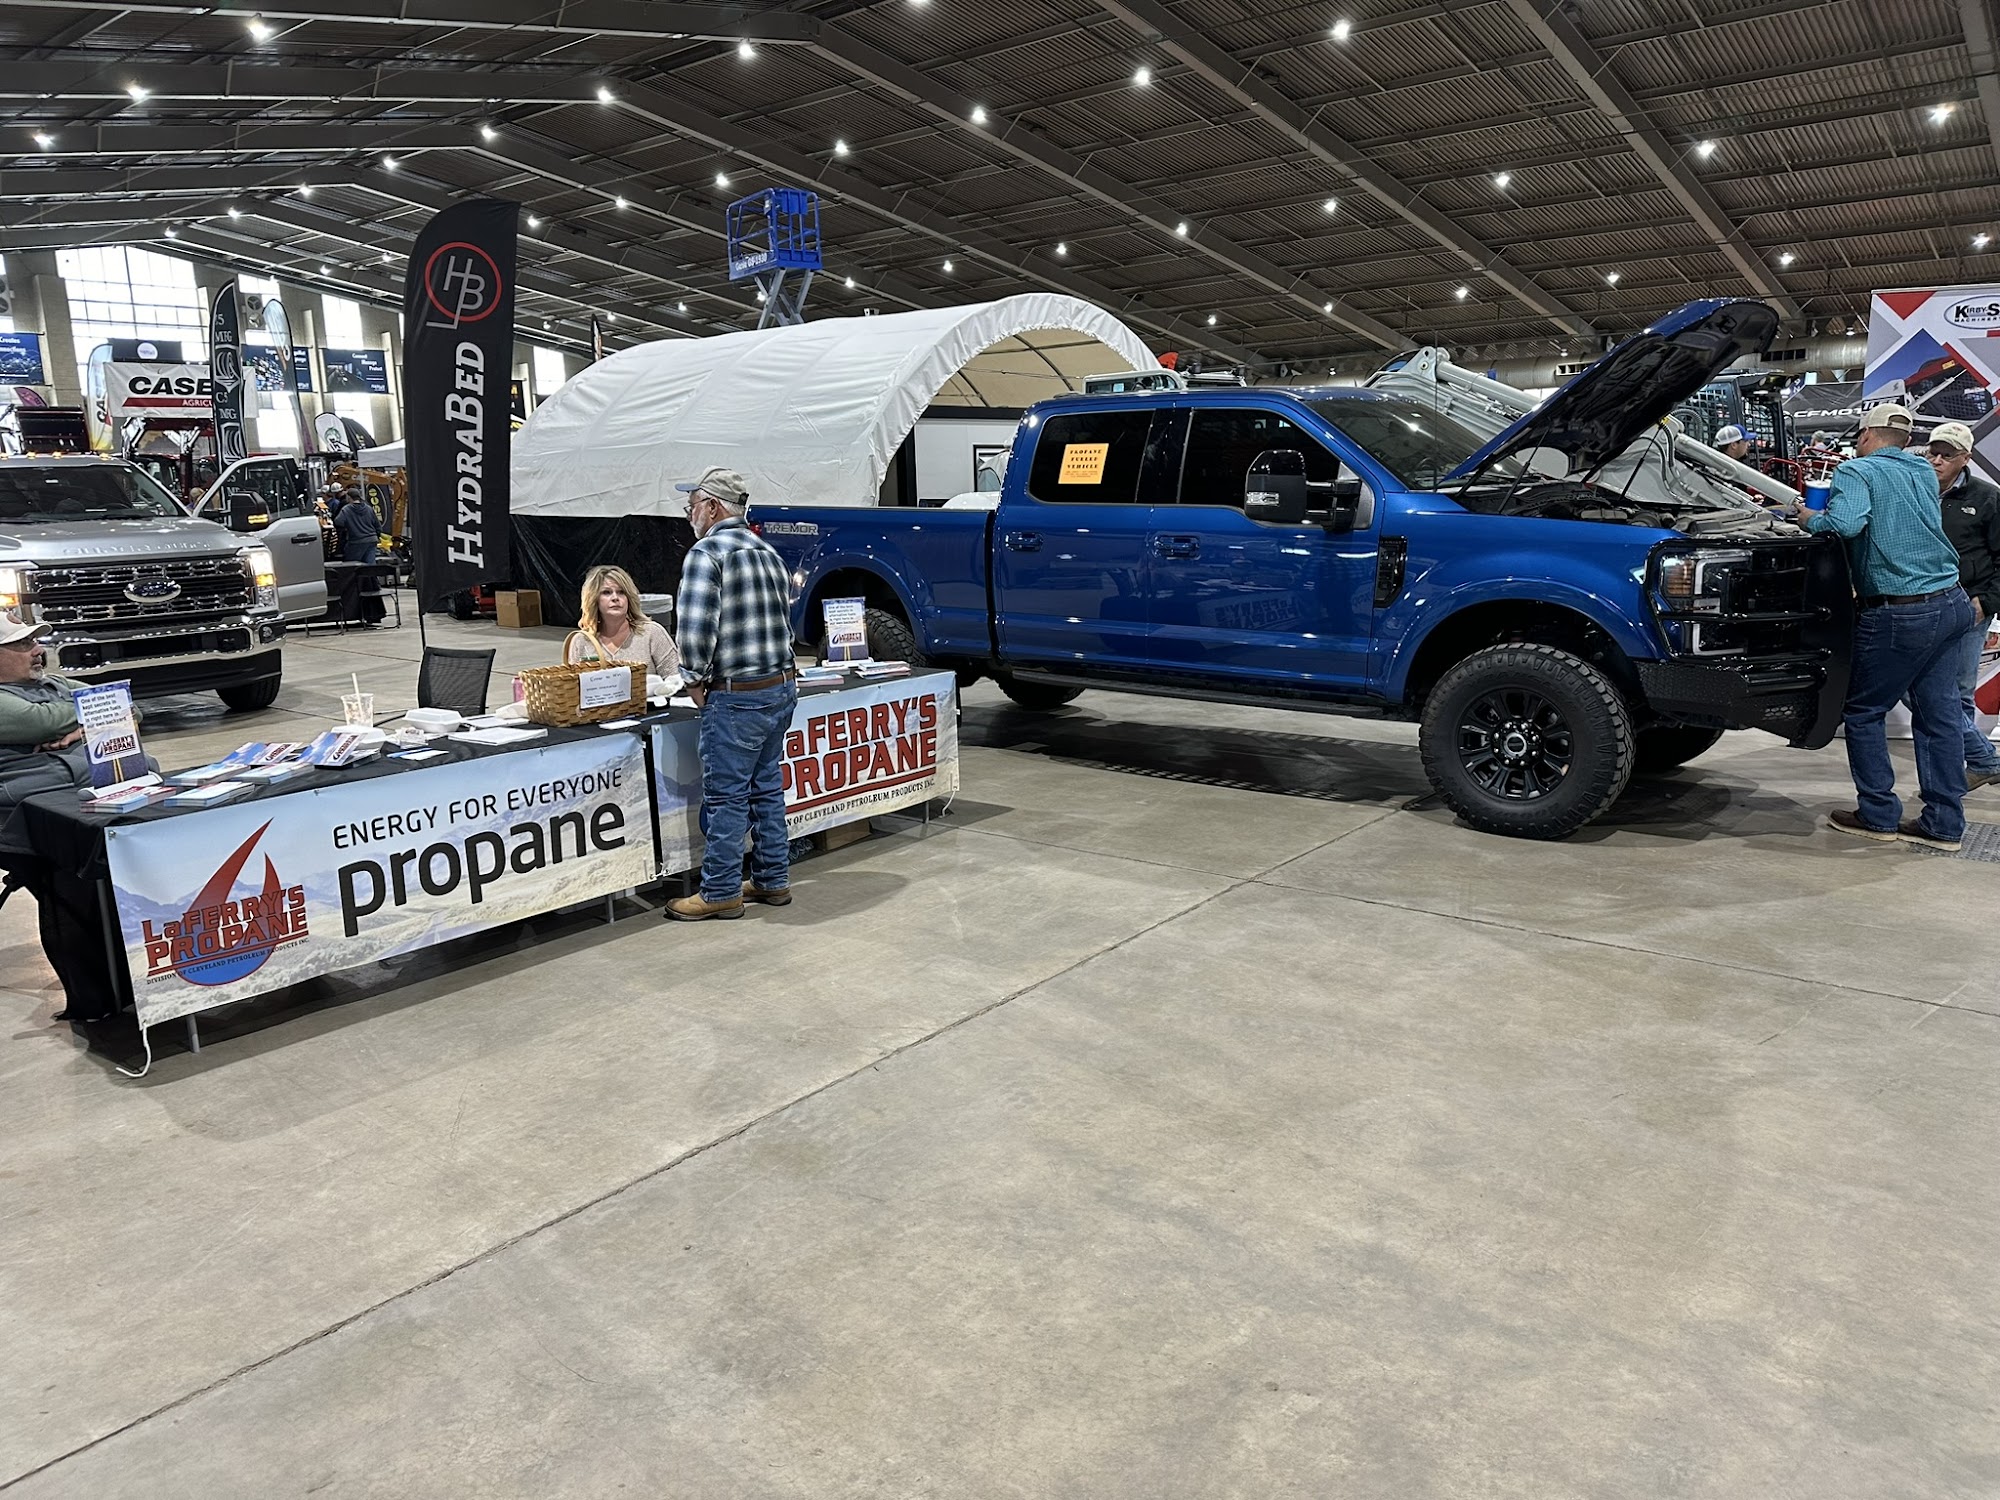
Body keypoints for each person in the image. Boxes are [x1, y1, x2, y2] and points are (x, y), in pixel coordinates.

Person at [1793, 404, 1973, 850]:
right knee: (1940, 716)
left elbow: (1844, 524)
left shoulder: (1857, 470)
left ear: (1866, 435)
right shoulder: (1921, 469)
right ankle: (1945, 824)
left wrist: (1809, 518)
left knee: (1863, 711)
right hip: (1951, 601)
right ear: (1908, 440)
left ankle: (1876, 814)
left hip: (1901, 611)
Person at [665, 467, 798, 921]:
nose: (689, 514)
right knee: (767, 789)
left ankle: (721, 890)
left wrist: (692, 680)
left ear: (712, 507)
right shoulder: (768, 552)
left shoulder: (706, 554)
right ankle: (772, 880)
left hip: (737, 696)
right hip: (780, 688)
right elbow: (785, 626)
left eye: (692, 505)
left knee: (726, 798)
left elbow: (695, 629)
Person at [0, 611, 130, 1021]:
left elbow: (125, 704)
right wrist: (96, 718)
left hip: (88, 798)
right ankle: (98, 1000)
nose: (37, 650)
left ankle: (135, 983)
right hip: (24, 816)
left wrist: (85, 730)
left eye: (35, 641)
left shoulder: (55, 685)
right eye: (22, 644)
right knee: (75, 875)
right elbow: (38, 721)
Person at [1924, 421, 2000, 789]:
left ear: (1965, 458)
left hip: (1970, 607)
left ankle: (1958, 770)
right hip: (1922, 605)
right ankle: (1982, 760)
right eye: (1934, 452)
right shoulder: (1916, 489)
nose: (1937, 460)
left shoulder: (1988, 497)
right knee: (1923, 690)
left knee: (1958, 691)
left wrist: (1986, 602)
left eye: (1947, 455)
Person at [567, 564, 681, 679]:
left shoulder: (652, 633)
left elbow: (676, 680)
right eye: (606, 592)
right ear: (594, 599)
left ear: (629, 598)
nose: (615, 598)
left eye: (621, 592)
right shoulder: (581, 641)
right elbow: (573, 684)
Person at [332, 490, 386, 626]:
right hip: (371, 541)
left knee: (353, 571)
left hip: (356, 543)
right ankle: (374, 604)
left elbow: (338, 522)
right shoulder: (368, 508)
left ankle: (356, 600)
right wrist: (376, 536)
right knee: (370, 572)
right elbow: (378, 526)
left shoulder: (346, 509)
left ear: (349, 497)